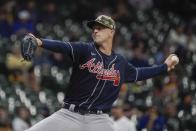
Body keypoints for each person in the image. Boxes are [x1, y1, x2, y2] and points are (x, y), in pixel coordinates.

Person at [24, 15, 179, 131]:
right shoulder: (85, 50)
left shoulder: (120, 62)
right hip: (69, 115)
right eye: (94, 28)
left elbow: (140, 73)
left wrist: (164, 67)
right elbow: (63, 46)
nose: (95, 30)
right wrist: (38, 41)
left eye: (100, 27)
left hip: (99, 120)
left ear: (111, 32)